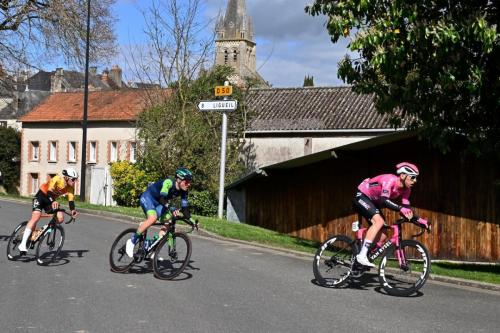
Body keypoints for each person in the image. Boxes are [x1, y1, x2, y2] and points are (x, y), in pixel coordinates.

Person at [352, 162, 419, 268]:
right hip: (362, 196)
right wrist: (400, 208)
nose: (415, 180)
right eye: (413, 177)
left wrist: (420, 221)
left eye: (416, 178)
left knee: (383, 234)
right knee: (378, 222)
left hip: (373, 202)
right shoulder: (390, 180)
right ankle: (361, 256)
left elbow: (406, 208)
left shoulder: (407, 190)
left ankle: (365, 255)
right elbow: (384, 200)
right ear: (402, 176)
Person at [126, 167, 193, 257]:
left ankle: (153, 249)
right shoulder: (168, 182)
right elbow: (162, 198)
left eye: (190, 182)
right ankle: (132, 241)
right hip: (148, 198)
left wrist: (191, 221)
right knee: (152, 218)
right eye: (186, 181)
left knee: (169, 223)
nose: (188, 184)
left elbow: (185, 210)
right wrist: (170, 207)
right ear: (179, 180)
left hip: (159, 204)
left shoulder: (184, 191)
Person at [18, 168, 79, 253]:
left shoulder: (70, 188)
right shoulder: (57, 179)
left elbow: (71, 200)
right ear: (66, 177)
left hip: (50, 201)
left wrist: (73, 210)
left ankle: (40, 231)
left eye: (76, 179)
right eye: (73, 179)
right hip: (41, 196)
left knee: (60, 218)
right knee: (36, 217)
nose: (74, 181)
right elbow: (49, 190)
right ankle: (23, 244)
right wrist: (53, 201)